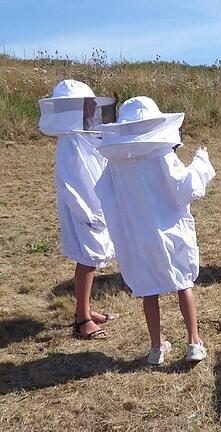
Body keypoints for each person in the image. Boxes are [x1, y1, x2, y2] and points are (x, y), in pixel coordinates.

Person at [95, 96, 215, 365]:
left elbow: (104, 194)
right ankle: (194, 342)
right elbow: (186, 187)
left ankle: (156, 347)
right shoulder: (162, 154)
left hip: (138, 234)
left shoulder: (115, 161)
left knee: (149, 287)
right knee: (183, 282)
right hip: (170, 229)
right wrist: (201, 159)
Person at [38, 79, 117, 340]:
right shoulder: (70, 143)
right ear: (75, 108)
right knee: (87, 260)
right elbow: (71, 184)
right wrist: (90, 214)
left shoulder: (81, 137)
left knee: (91, 260)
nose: (94, 106)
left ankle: (84, 310)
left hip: (95, 205)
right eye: (88, 103)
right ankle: (82, 319)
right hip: (84, 209)